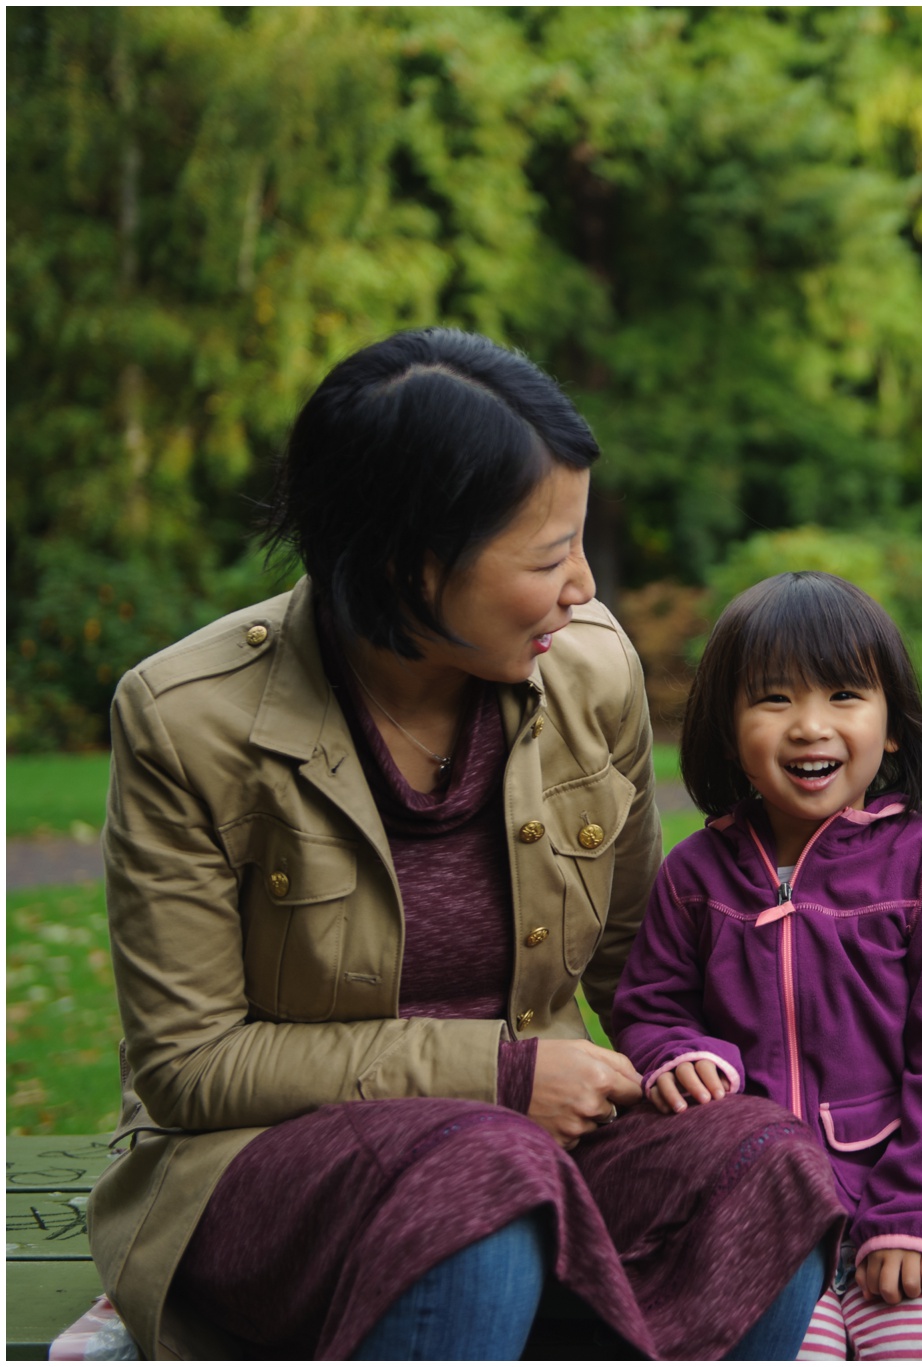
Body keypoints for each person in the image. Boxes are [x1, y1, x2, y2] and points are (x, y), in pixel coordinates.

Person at [89, 329, 843, 1360]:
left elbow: (639, 965)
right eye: (547, 556)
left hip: (537, 1144)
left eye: (579, 543)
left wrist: (696, 1067)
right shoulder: (189, 719)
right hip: (263, 1166)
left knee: (762, 1161)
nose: (583, 585)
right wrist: (497, 1073)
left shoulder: (590, 671)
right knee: (479, 1173)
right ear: (408, 563)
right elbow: (190, 1063)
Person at [611, 571, 922, 1361]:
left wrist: (915, 1211)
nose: (810, 726)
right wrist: (676, 1053)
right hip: (758, 1219)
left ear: (893, 725)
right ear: (728, 730)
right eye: (774, 699)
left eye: (844, 695)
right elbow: (649, 1006)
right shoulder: (695, 874)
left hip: (901, 1213)